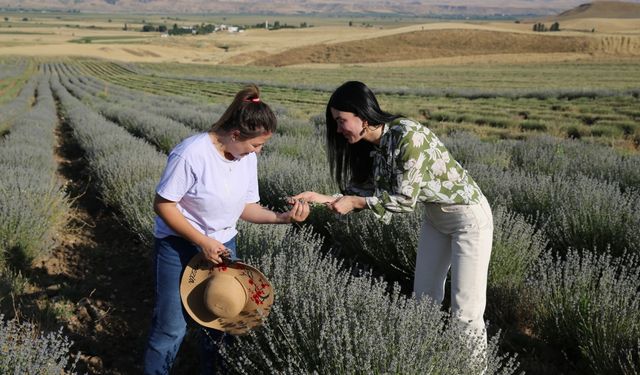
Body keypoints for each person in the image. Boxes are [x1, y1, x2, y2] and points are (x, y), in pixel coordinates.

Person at [293, 81, 493, 360]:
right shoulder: (374, 145)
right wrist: (323, 198)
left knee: (466, 311)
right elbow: (365, 193)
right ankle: (425, 362)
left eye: (341, 121)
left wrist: (355, 202)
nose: (338, 130)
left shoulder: (406, 136)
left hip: (468, 219)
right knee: (423, 300)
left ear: (362, 116)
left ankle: (473, 369)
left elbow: (403, 200)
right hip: (437, 218)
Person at [143, 84, 309, 375]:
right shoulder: (191, 154)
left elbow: (246, 207)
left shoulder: (246, 159)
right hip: (180, 246)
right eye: (255, 145)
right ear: (234, 135)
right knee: (171, 329)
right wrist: (201, 241)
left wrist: (282, 218)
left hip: (223, 247)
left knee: (221, 321)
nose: (257, 151)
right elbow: (163, 205)